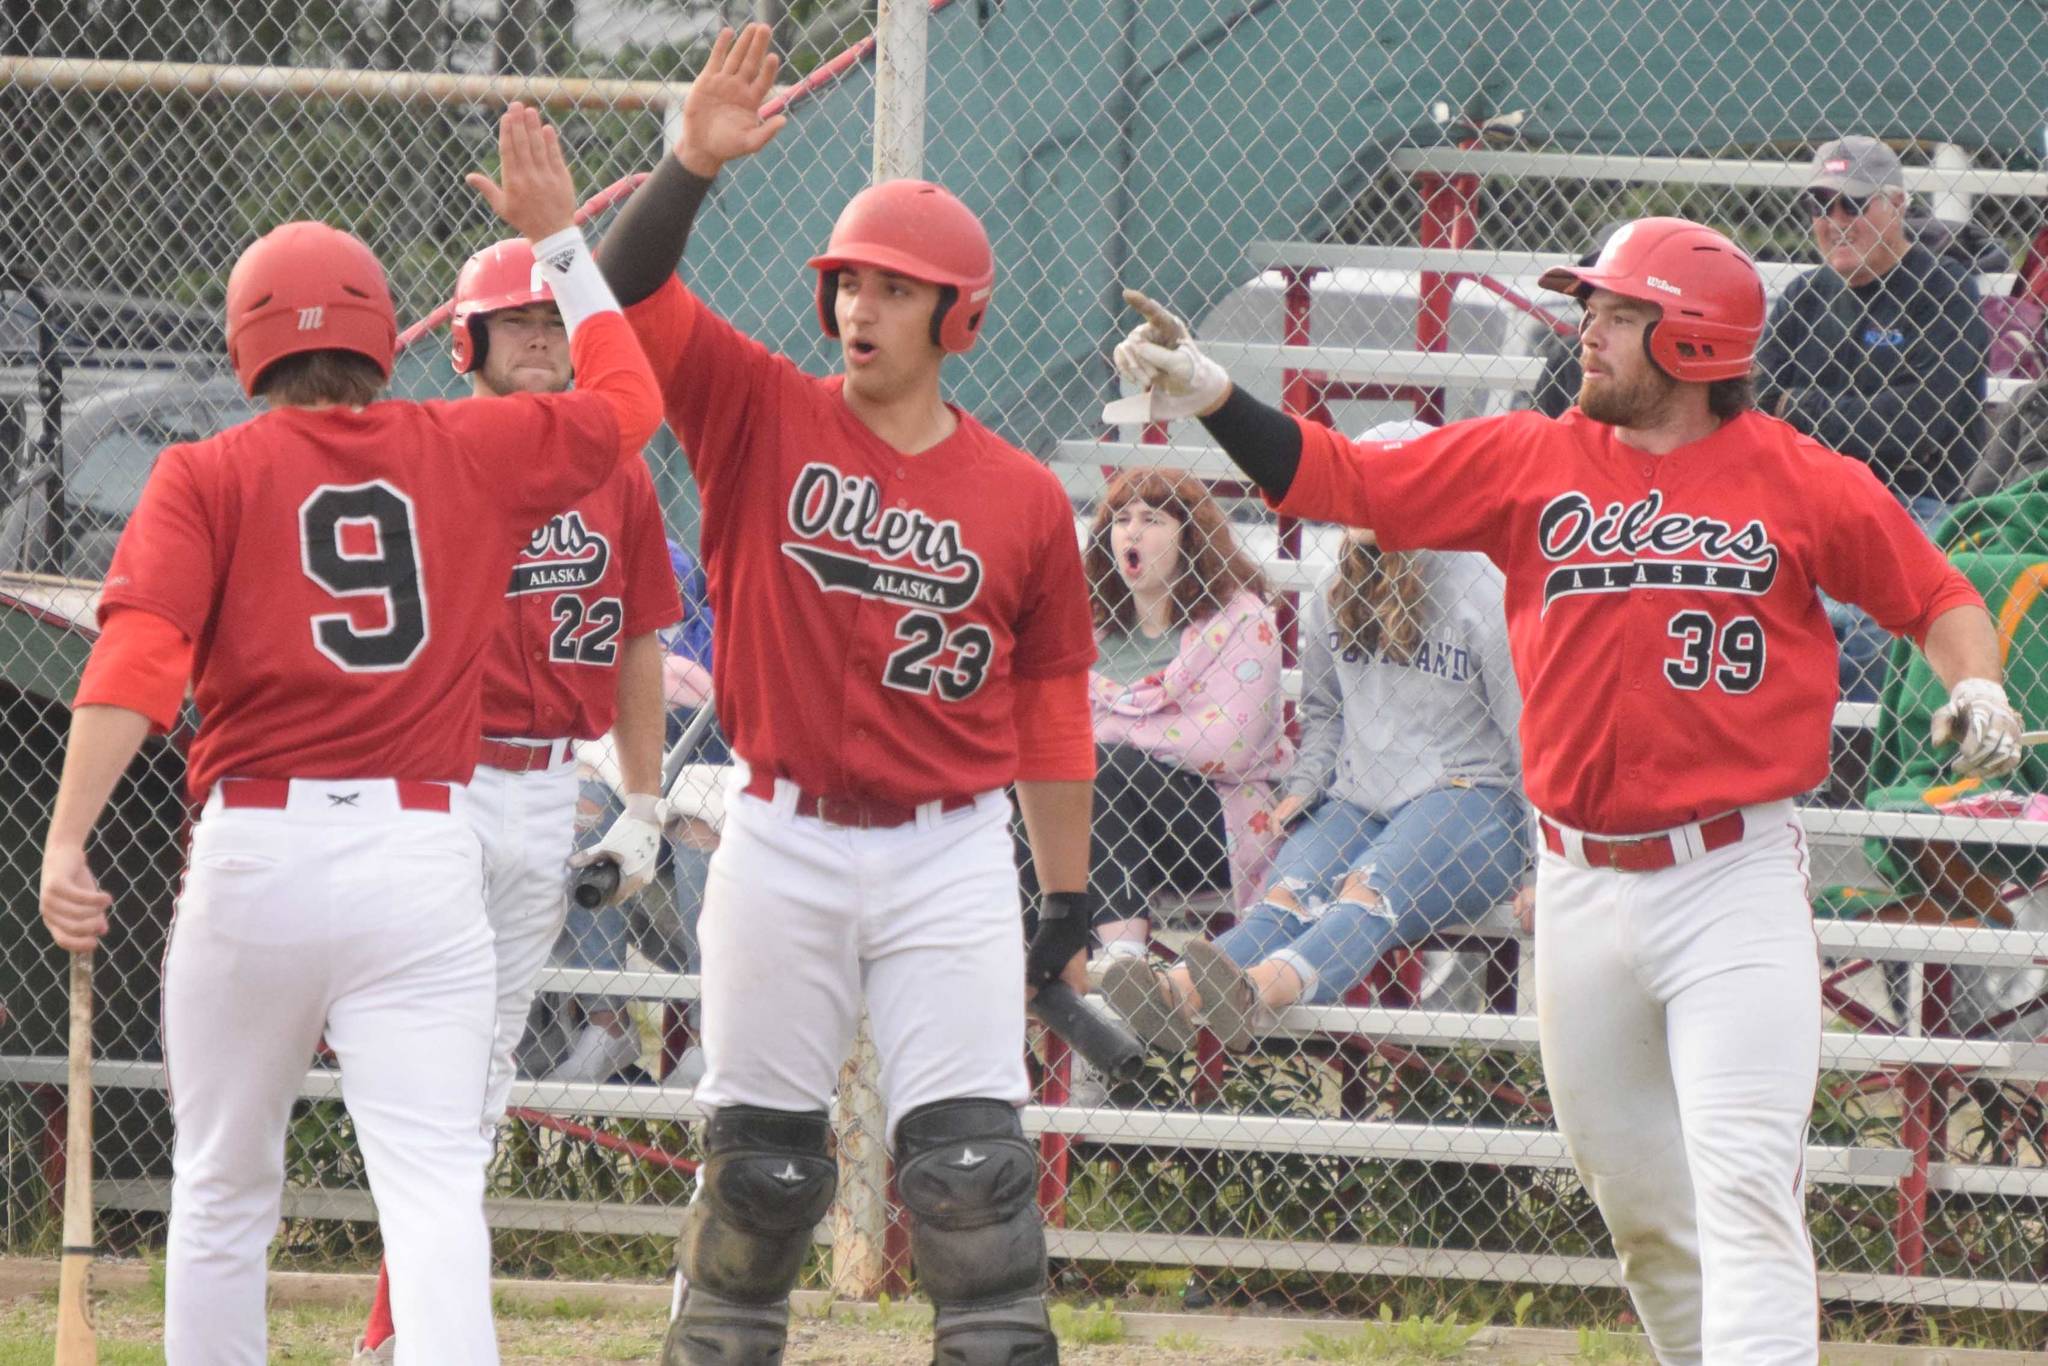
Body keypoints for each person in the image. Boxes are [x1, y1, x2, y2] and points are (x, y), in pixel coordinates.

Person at [1108, 215, 2023, 1364]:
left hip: (1728, 879)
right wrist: (1209, 392)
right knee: (1644, 1222)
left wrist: (1978, 686)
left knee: (1741, 1191)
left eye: (1614, 313)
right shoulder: (1532, 457)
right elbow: (1341, 477)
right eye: (1587, 308)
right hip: (1579, 884)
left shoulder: (1795, 479)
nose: (1584, 331)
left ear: (1688, 339)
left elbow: (1934, 595)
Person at [37, 106, 662, 1365]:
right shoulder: (465, 446)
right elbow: (629, 401)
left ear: (245, 340)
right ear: (397, 335)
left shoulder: (201, 473)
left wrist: (67, 837)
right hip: (414, 853)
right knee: (431, 1186)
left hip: (254, 855)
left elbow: (138, 661)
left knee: (221, 1192)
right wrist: (559, 243)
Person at [596, 25, 1099, 1364]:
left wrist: (1064, 895)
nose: (861, 308)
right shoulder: (758, 410)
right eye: (849, 283)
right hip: (784, 833)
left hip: (947, 849)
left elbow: (1051, 712)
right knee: (758, 1180)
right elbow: (621, 292)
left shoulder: (1027, 499)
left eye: (895, 288)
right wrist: (689, 169)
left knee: (974, 1185)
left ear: (961, 316)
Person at [350, 234, 682, 1360]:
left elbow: (640, 638)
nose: (541, 341)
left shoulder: (617, 469)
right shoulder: (434, 447)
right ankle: (414, 1334)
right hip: (435, 779)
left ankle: (396, 1332)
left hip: (548, 792)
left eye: (554, 322)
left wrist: (639, 800)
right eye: (517, 325)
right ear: (468, 341)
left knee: (479, 1083)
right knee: (439, 1073)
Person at [1102, 423, 1526, 1052]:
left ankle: (1256, 991)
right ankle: (1175, 994)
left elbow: (1531, 734)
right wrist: (1304, 786)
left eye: (1379, 485)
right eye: (1354, 485)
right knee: (1286, 893)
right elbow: (1326, 710)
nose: (1358, 501)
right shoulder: (1340, 588)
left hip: (1472, 798)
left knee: (1369, 890)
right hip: (1361, 797)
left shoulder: (1484, 590)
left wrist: (1548, 865)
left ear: (1425, 490)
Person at [1756, 136, 1992, 699]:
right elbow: (1755, 406)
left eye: (1854, 204)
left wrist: (1802, 407)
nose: (1836, 220)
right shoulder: (1805, 297)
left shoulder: (1944, 292)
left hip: (1909, 502)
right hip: (1808, 506)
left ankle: (1860, 784)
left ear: (1898, 204)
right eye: (1820, 205)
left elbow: (1915, 428)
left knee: (1872, 636)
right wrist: (1842, 418)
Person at [1032, 467, 1287, 965]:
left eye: (1152, 518)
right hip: (1103, 829)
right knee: (1036, 793)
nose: (1131, 530)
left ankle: (1123, 963)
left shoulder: (1240, 619)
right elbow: (1050, 732)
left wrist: (1111, 732)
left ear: (1189, 535)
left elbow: (1227, 745)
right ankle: (1047, 974)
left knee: (1100, 765)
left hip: (1209, 825)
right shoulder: (1092, 630)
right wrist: (1138, 733)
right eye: (1121, 519)